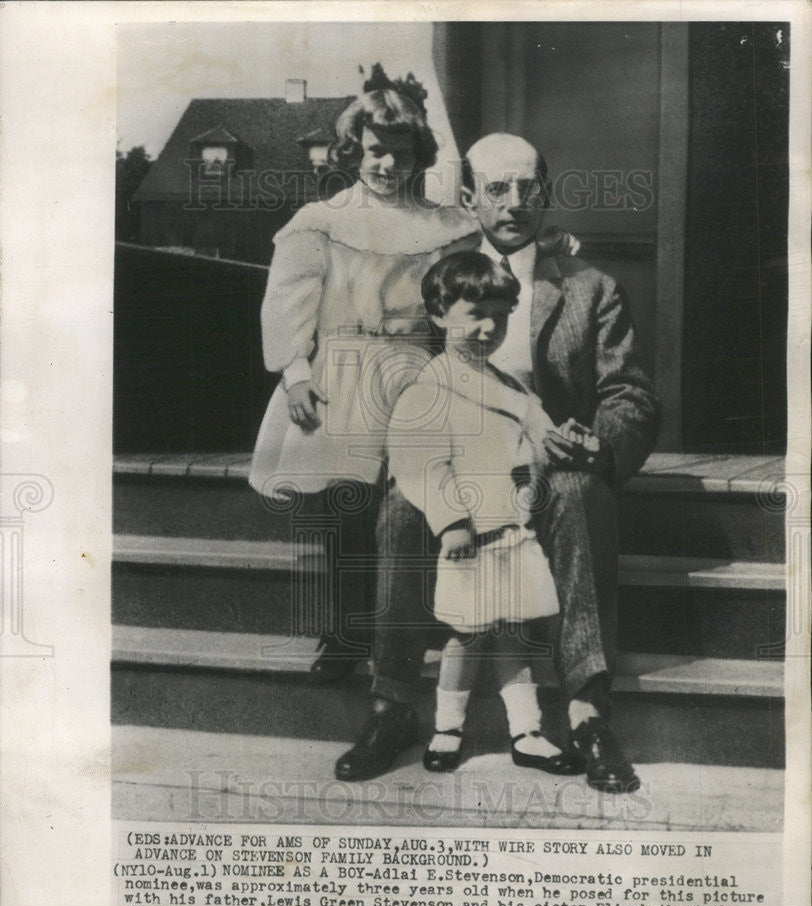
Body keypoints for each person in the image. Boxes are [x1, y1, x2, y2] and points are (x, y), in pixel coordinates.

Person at [335, 134, 661, 793]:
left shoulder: (589, 288)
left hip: (546, 470)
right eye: (496, 189)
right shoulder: (434, 282)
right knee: (403, 504)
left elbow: (629, 394)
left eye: (528, 189)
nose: (514, 203)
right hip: (455, 460)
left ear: (545, 195)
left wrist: (599, 442)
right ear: (467, 198)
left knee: (578, 492)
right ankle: (392, 706)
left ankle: (588, 711)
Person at [248, 82, 478, 683]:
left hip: (414, 370)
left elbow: (467, 294)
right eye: (375, 150)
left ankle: (406, 626)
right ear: (353, 149)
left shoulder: (444, 225)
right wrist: (296, 373)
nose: (387, 164)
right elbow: (288, 300)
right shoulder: (321, 221)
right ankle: (347, 632)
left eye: (400, 153)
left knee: (408, 504)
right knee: (348, 507)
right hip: (340, 372)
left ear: (419, 154)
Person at [388, 251, 585, 775]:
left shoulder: (511, 387)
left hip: (514, 532)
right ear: (438, 313)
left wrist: (563, 441)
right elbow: (421, 462)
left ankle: (527, 731)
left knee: (516, 633)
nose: (487, 328)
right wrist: (450, 521)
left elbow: (539, 430)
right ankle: (447, 728)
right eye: (474, 314)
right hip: (470, 536)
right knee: (466, 635)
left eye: (499, 316)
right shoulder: (429, 387)